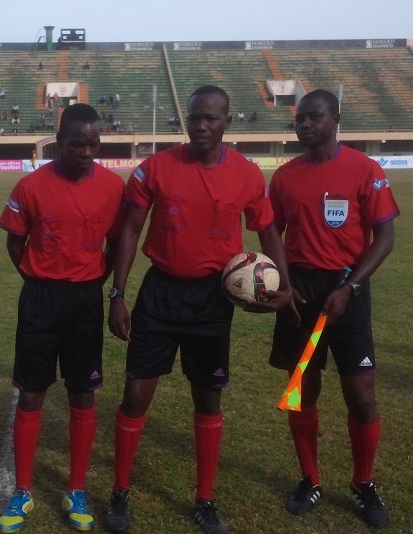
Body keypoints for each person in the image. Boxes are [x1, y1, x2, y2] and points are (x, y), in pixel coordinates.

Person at [102, 85, 292, 534]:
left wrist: (284, 286)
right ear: (186, 121)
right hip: (160, 294)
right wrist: (118, 293)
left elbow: (268, 232)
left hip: (212, 299)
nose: (202, 125)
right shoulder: (155, 168)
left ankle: (205, 499)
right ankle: (120, 492)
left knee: (208, 396)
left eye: (211, 118)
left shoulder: (246, 174)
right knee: (135, 395)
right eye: (195, 118)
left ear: (227, 121)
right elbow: (130, 230)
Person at [268, 89, 399, 529]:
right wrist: (283, 285)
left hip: (348, 289)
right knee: (302, 389)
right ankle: (310, 478)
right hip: (300, 291)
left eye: (315, 116)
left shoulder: (365, 169)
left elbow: (385, 237)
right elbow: (272, 235)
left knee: (361, 394)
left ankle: (364, 483)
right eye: (300, 118)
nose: (305, 124)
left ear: (335, 119)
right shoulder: (284, 177)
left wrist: (351, 286)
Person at [0, 103, 125, 533]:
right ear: (59, 141)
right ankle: (23, 490)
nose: (87, 152)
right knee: (31, 393)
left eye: (93, 144)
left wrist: (95, 281)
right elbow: (15, 242)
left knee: (82, 394)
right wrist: (39, 278)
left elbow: (117, 242)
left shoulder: (112, 186)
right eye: (77, 145)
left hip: (85, 301)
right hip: (40, 299)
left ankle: (76, 489)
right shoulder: (30, 186)